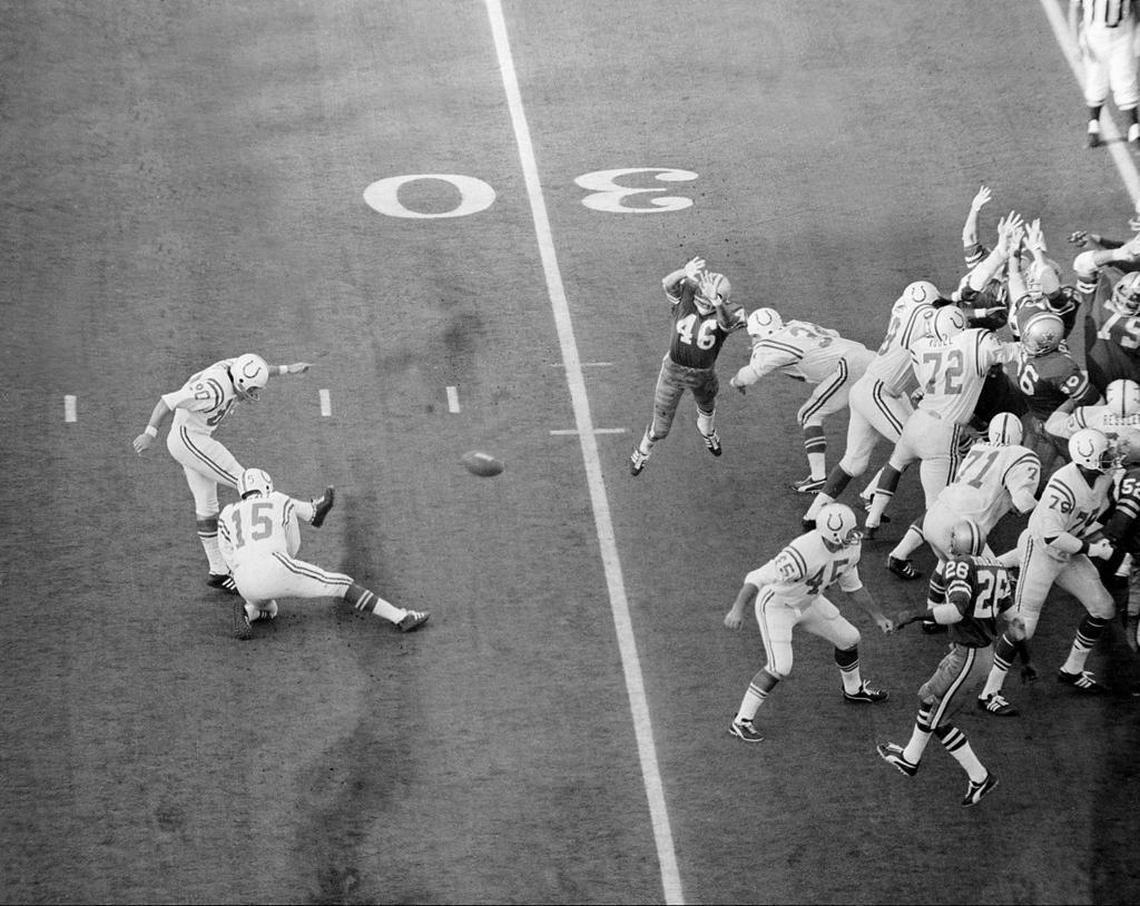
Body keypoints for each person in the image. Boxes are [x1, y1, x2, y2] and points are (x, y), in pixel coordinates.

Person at [132, 353, 316, 592]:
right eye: (252, 389)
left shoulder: (236, 368)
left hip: (192, 437)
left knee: (207, 506)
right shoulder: (214, 389)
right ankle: (308, 511)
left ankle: (218, 571)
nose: (254, 393)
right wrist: (149, 433)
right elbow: (167, 401)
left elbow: (262, 368)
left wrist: (288, 368)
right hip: (189, 439)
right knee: (249, 482)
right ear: (240, 382)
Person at [976, 428, 1121, 714]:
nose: (1109, 459)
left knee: (1103, 608)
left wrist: (1099, 536)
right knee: (1024, 626)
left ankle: (1072, 669)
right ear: (1087, 459)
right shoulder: (1064, 484)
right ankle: (989, 692)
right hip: (1042, 551)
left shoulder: (1102, 476)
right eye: (1104, 455)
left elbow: (1099, 512)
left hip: (1069, 550)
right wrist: (1094, 549)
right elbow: (1052, 535)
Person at [723, 502, 893, 743]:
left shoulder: (850, 548)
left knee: (849, 638)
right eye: (849, 532)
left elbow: (853, 586)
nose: (855, 535)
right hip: (778, 606)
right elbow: (757, 577)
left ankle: (853, 690)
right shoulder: (802, 552)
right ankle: (741, 721)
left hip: (809, 601)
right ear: (834, 535)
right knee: (780, 666)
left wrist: (878, 617)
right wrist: (738, 609)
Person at [877, 518, 1011, 808]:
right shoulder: (996, 566)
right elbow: (1015, 619)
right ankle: (910, 758)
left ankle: (980, 777)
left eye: (952, 538)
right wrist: (1025, 660)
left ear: (960, 542)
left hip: (970, 656)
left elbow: (956, 612)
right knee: (927, 695)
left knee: (939, 721)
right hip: (973, 652)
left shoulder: (959, 565)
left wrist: (914, 615)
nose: (948, 542)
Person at [217, 468, 430, 639]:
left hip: (244, 581)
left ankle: (248, 612)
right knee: (340, 584)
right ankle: (401, 617)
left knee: (270, 609)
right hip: (275, 565)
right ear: (266, 485)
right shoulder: (277, 499)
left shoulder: (227, 513)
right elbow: (293, 545)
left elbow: (228, 556)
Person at [863, 306, 1018, 535]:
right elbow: (1009, 352)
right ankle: (909, 547)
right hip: (943, 432)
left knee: (895, 465)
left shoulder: (921, 345)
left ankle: (872, 520)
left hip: (918, 420)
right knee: (937, 506)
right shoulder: (974, 341)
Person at [801, 280, 942, 529]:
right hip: (878, 392)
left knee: (854, 462)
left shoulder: (903, 309)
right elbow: (945, 320)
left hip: (870, 389)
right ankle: (871, 497)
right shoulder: (922, 316)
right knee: (914, 445)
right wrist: (980, 312)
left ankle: (812, 516)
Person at [885, 413, 1039, 632]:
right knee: (993, 579)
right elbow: (1021, 503)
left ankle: (931, 617)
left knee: (945, 562)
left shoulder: (978, 448)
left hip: (935, 514)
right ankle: (1005, 636)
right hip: (961, 528)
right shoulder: (1022, 455)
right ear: (1019, 436)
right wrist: (1033, 505)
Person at [729, 308, 875, 493]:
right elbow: (833, 334)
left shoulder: (768, 346)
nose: (753, 341)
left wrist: (736, 381)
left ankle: (818, 479)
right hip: (869, 357)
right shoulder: (795, 324)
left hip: (851, 366)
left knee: (809, 415)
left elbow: (749, 375)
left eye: (754, 336)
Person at [629, 256, 746, 476]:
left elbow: (728, 324)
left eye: (708, 301)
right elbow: (667, 283)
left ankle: (707, 430)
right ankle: (643, 450)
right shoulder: (688, 295)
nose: (702, 303)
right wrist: (684, 271)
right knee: (660, 429)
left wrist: (717, 302)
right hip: (673, 371)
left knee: (707, 404)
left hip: (703, 373)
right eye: (701, 297)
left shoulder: (731, 311)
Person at [1073, 228, 1140, 393]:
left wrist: (1116, 253)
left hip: (1097, 385)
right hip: (1133, 391)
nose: (1128, 298)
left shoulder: (1100, 294)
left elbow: (1083, 263)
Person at [1069, 0, 1140, 147]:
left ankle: (1134, 129)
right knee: (1095, 80)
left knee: (1125, 79)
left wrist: (1138, 32)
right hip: (1095, 35)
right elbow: (1074, 7)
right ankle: (1093, 125)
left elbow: (1136, 4)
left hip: (1123, 33)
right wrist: (1075, 43)